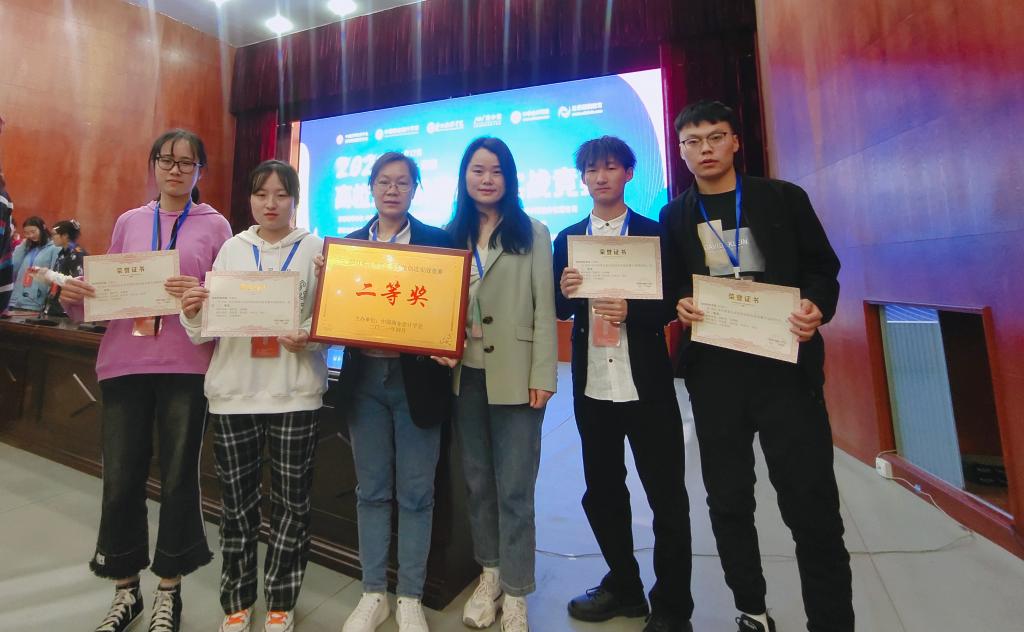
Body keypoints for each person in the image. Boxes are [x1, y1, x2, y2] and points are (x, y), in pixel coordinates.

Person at [660, 100, 853, 632]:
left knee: (811, 503)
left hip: (784, 370)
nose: (705, 149)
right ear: (681, 151)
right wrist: (679, 302)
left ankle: (831, 622)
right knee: (728, 501)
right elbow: (672, 281)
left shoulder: (783, 198)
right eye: (692, 142)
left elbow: (823, 268)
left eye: (715, 137)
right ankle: (751, 609)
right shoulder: (675, 215)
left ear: (735, 142)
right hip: (715, 376)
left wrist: (816, 306)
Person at [59, 129, 233, 632]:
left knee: (178, 481)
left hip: (187, 367)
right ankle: (126, 591)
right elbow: (106, 294)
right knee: (120, 479)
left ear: (200, 170)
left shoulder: (216, 225)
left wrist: (200, 293)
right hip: (125, 364)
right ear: (154, 165)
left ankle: (169, 592)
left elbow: (226, 299)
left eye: (187, 162)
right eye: (166, 160)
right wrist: (76, 296)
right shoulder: (129, 221)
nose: (175, 170)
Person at [180, 159, 327, 632]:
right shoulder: (231, 249)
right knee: (237, 507)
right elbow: (207, 328)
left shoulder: (316, 249)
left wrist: (310, 335)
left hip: (294, 393)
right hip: (234, 393)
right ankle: (237, 600)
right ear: (250, 198)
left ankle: (281, 600)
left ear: (295, 199)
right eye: (261, 194)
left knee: (292, 506)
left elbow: (330, 320)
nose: (271, 203)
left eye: (281, 194)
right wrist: (192, 311)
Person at [553, 136, 693, 632]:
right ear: (583, 178)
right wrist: (565, 291)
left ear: (630, 173)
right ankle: (626, 587)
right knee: (603, 492)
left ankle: (673, 606)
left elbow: (673, 303)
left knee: (666, 496)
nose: (601, 177)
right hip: (594, 386)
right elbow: (560, 307)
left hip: (646, 385)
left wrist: (635, 310)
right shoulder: (568, 238)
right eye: (592, 170)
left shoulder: (655, 234)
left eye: (611, 167)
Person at [441, 137, 557, 632]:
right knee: (477, 482)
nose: (487, 179)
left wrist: (543, 375)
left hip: (517, 375)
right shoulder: (451, 234)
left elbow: (545, 309)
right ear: (464, 177)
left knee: (515, 488)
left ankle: (516, 592)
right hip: (464, 374)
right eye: (477, 170)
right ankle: (489, 575)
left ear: (509, 178)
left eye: (496, 171)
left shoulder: (533, 232)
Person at [336, 152, 454, 632]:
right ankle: (373, 593)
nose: (392, 190)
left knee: (417, 494)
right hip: (364, 382)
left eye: (402, 182)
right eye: (384, 181)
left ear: (414, 189)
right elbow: (337, 309)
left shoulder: (437, 244)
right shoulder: (348, 247)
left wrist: (450, 339)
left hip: (417, 383)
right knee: (372, 492)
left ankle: (409, 596)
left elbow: (450, 309)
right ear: (370, 187)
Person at [9, 215, 59, 312]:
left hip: (36, 302)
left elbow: (54, 275)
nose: (30, 236)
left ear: (43, 227)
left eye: (33, 231)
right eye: (27, 233)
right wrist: (23, 245)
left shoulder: (54, 248)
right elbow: (13, 266)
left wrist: (48, 299)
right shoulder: (28, 247)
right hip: (16, 299)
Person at [45, 219, 87, 317]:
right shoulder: (62, 253)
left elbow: (78, 282)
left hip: (67, 309)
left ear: (65, 236)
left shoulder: (77, 254)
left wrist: (51, 276)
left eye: (54, 234)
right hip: (55, 306)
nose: (52, 238)